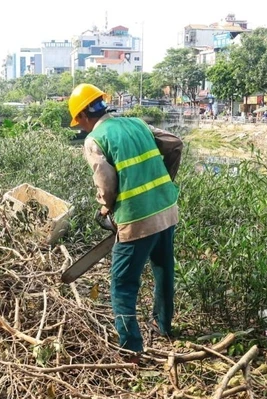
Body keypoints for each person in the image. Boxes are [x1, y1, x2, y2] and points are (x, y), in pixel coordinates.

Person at [68, 83, 183, 359]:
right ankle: (163, 326)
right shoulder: (138, 123)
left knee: (122, 283)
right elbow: (175, 143)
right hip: (167, 209)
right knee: (163, 270)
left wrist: (107, 207)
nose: (80, 127)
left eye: (78, 121)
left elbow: (106, 183)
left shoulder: (94, 140)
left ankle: (131, 348)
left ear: (83, 115)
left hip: (136, 219)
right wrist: (165, 180)